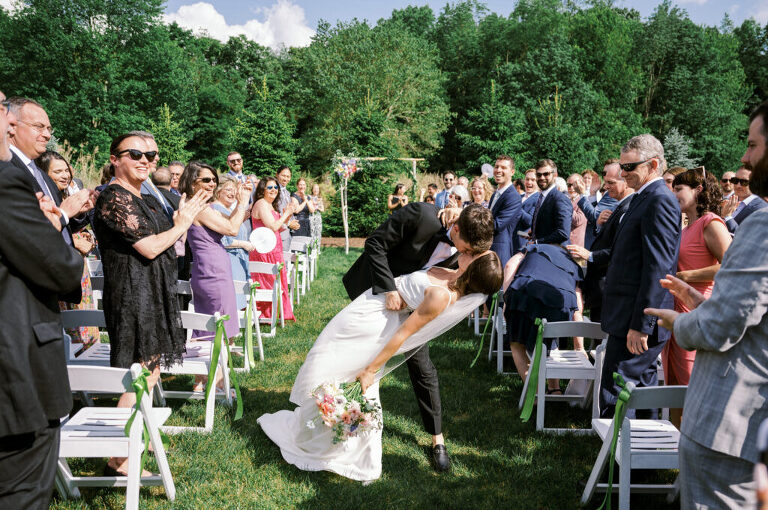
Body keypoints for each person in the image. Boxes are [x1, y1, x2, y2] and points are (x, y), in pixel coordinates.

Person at [258, 249, 502, 481]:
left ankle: (332, 443)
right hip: (374, 310)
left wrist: (371, 369)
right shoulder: (453, 275)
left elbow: (403, 334)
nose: (469, 252)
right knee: (330, 365)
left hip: (378, 326)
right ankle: (317, 430)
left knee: (339, 371)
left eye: (475, 256)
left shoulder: (442, 296)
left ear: (473, 272)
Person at [645, 100, 768, 510]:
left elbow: (718, 326)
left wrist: (680, 321)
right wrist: (696, 300)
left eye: (752, 145)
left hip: (730, 428)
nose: (743, 158)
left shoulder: (760, 225)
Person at [342, 203, 495, 473]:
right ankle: (342, 418)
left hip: (417, 306)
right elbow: (375, 243)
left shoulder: (467, 241)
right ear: (455, 228)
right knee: (358, 358)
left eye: (472, 252)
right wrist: (388, 289)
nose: (467, 255)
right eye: (467, 249)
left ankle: (438, 440)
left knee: (423, 368)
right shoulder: (420, 216)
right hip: (378, 295)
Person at [92, 132, 210, 476]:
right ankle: (121, 455)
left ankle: (129, 445)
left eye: (152, 155)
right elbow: (149, 247)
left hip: (154, 289)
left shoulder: (145, 195)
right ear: (115, 158)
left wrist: (179, 221)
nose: (146, 160)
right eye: (136, 154)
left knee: (151, 369)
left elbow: (167, 235)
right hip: (132, 294)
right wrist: (182, 224)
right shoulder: (113, 198)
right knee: (139, 373)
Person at [0, 91, 83, 510]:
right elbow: (62, 267)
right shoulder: (6, 178)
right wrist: (57, 222)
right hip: (16, 362)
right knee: (24, 490)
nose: (9, 123)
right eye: (2, 109)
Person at [599, 134, 681, 418]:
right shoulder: (643, 197)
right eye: (622, 166)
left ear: (653, 165)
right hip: (626, 314)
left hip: (636, 319)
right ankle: (637, 462)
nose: (623, 173)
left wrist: (642, 324)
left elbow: (658, 268)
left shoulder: (659, 200)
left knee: (618, 387)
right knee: (637, 390)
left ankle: (619, 461)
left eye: (630, 167)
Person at [662, 167, 731, 427]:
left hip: (697, 312)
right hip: (676, 314)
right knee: (674, 387)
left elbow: (731, 266)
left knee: (693, 386)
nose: (673, 193)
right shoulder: (686, 226)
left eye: (679, 189)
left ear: (698, 190)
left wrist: (685, 277)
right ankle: (676, 453)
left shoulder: (711, 222)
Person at [181, 161, 251, 347]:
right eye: (206, 180)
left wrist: (241, 202)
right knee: (215, 326)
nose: (212, 183)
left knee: (212, 325)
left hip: (213, 269)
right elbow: (231, 229)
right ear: (192, 182)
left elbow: (230, 221)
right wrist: (242, 202)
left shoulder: (203, 205)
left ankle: (207, 373)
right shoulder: (200, 208)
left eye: (214, 179)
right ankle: (211, 373)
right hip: (212, 272)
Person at [7, 97, 94, 246]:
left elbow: (63, 229)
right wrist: (63, 213)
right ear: (12, 126)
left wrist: (77, 211)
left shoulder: (39, 173)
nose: (47, 135)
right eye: (39, 127)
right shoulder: (7, 169)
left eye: (48, 129)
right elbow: (17, 232)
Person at [38, 150, 100, 347]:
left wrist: (84, 223)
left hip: (77, 265)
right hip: (58, 266)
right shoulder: (43, 198)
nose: (65, 175)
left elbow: (73, 225)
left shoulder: (65, 194)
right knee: (67, 322)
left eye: (66, 170)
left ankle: (87, 351)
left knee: (84, 315)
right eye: (58, 172)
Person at [503, 243, 582, 392]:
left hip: (524, 292)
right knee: (551, 338)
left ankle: (535, 392)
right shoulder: (572, 264)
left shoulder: (533, 248)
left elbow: (509, 266)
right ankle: (554, 389)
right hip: (560, 299)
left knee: (516, 343)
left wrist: (507, 297)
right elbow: (577, 307)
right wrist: (580, 347)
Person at [566, 168, 635, 323]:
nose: (605, 186)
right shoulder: (619, 205)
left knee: (602, 335)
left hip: (608, 282)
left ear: (626, 181)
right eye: (606, 182)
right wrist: (599, 223)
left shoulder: (627, 207)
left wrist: (589, 255)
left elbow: (619, 251)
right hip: (600, 285)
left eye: (611, 182)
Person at [250, 176, 296, 321]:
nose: (274, 190)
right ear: (262, 189)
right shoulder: (261, 204)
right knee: (267, 280)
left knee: (276, 279)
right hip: (264, 251)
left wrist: (288, 222)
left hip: (274, 249)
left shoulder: (270, 205)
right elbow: (272, 226)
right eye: (270, 187)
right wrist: (287, 214)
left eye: (275, 187)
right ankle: (266, 313)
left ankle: (277, 311)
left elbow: (278, 228)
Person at [211, 174, 254, 309]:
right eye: (229, 190)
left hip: (237, 259)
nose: (233, 193)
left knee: (239, 301)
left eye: (234, 190)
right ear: (218, 191)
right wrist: (244, 244)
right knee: (233, 303)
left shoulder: (228, 209)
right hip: (230, 259)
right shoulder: (216, 209)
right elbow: (223, 240)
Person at [572, 160, 620, 249]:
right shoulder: (604, 193)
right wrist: (592, 193)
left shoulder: (612, 194)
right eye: (604, 173)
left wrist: (583, 194)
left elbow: (595, 217)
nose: (605, 176)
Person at [488, 155, 523, 269]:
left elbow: (497, 224)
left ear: (512, 172)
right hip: (488, 249)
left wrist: (472, 220)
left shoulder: (513, 196)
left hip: (499, 251)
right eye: (496, 166)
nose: (498, 170)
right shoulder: (495, 194)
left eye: (503, 167)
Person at [529, 159, 572, 245]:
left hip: (553, 253)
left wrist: (537, 242)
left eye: (546, 174)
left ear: (555, 175)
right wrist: (534, 234)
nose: (542, 177)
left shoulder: (560, 199)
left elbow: (563, 233)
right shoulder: (542, 197)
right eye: (539, 175)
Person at [722, 166, 768, 233]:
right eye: (735, 180)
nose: (738, 185)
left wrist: (728, 217)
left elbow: (747, 237)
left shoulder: (761, 208)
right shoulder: (732, 201)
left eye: (744, 182)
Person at [276, 166, 299, 249]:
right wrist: (289, 223)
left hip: (287, 233)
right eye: (283, 176)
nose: (285, 179)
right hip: (277, 233)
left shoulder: (287, 193)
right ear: (277, 175)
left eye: (288, 176)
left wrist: (293, 222)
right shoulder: (273, 191)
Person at [565, 173, 588, 248]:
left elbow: (578, 220)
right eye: (569, 185)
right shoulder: (566, 200)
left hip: (575, 247)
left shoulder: (584, 201)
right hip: (562, 245)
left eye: (574, 185)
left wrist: (567, 204)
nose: (571, 188)